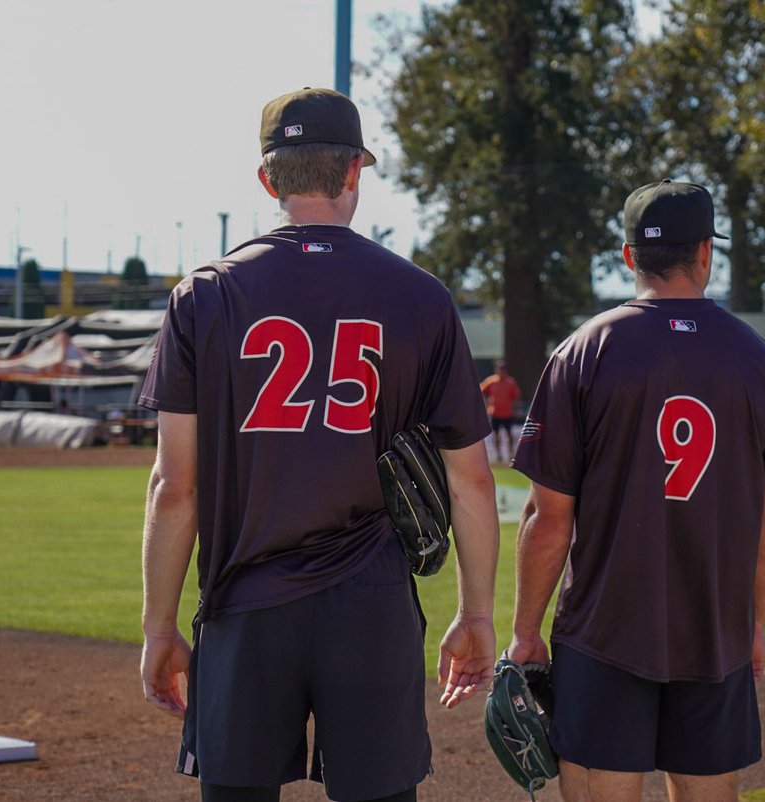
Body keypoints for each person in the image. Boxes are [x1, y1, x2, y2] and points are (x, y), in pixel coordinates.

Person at [138, 87, 499, 802]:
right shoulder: (421, 296)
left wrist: (159, 625)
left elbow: (173, 487)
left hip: (245, 598)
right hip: (370, 598)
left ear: (268, 180)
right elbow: (471, 481)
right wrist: (476, 614)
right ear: (354, 171)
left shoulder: (203, 294)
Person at [507, 180, 765, 802]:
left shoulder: (583, 351)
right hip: (716, 629)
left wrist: (526, 631)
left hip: (604, 630)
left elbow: (547, 517)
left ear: (627, 255)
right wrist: (754, 625)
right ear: (705, 253)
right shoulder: (763, 362)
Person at [480, 359, 522, 463]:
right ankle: (499, 455)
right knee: (496, 434)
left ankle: (511, 453)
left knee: (509, 434)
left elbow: (516, 396)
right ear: (496, 369)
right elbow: (481, 391)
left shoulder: (510, 382)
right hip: (495, 413)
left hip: (507, 413)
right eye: (500, 368)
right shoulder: (491, 381)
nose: (501, 371)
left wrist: (516, 408)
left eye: (503, 368)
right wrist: (485, 404)